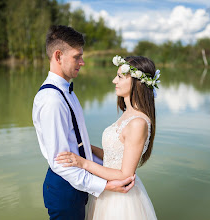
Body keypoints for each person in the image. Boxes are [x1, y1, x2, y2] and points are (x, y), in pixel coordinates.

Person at [32, 25, 135, 220]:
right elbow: (61, 162)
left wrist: (110, 172)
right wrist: (105, 185)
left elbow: (78, 147)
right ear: (58, 56)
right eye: (77, 57)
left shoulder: (66, 92)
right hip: (66, 189)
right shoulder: (52, 100)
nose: (83, 62)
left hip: (79, 183)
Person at [55, 55, 160, 219]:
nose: (114, 81)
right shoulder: (128, 114)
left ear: (136, 82)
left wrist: (83, 163)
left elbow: (125, 174)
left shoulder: (138, 122)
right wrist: (89, 148)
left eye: (119, 76)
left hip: (121, 199)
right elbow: (115, 155)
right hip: (107, 190)